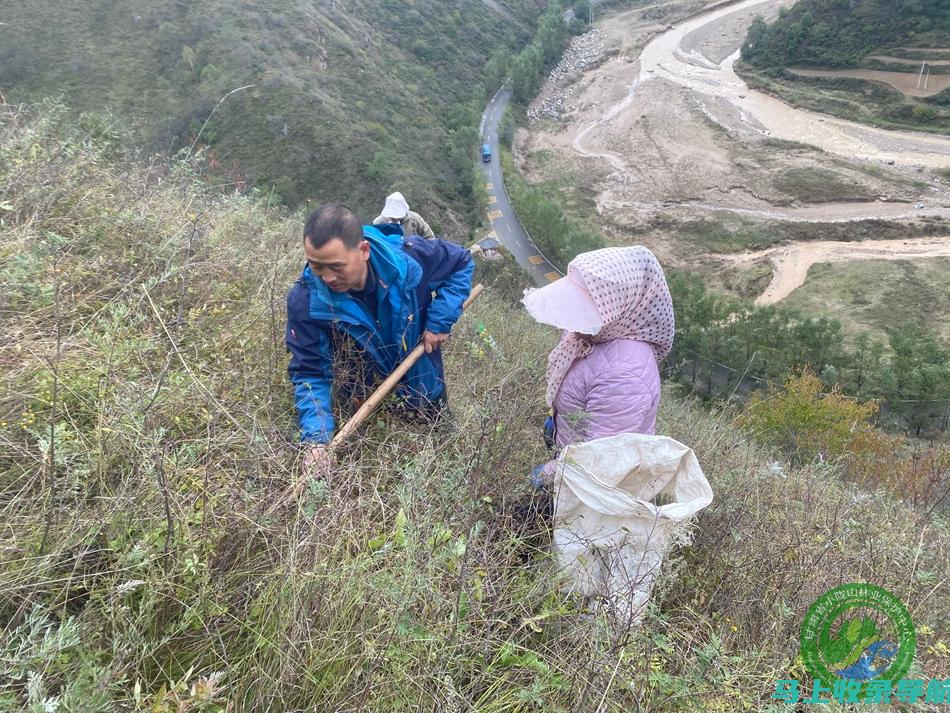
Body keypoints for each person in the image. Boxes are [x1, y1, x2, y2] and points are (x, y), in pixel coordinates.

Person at [287, 203, 474, 473]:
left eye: (336, 267)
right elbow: (310, 372)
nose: (326, 277)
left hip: (425, 380)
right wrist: (317, 440)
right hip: (365, 405)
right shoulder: (307, 301)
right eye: (316, 266)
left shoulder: (409, 260)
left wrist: (440, 320)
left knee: (444, 446)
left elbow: (461, 262)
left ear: (363, 251)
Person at [521, 246, 675, 486]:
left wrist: (548, 475)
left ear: (617, 308)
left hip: (590, 485)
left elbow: (601, 463)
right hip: (570, 449)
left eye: (585, 309)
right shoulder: (592, 335)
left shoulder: (624, 374)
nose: (574, 317)